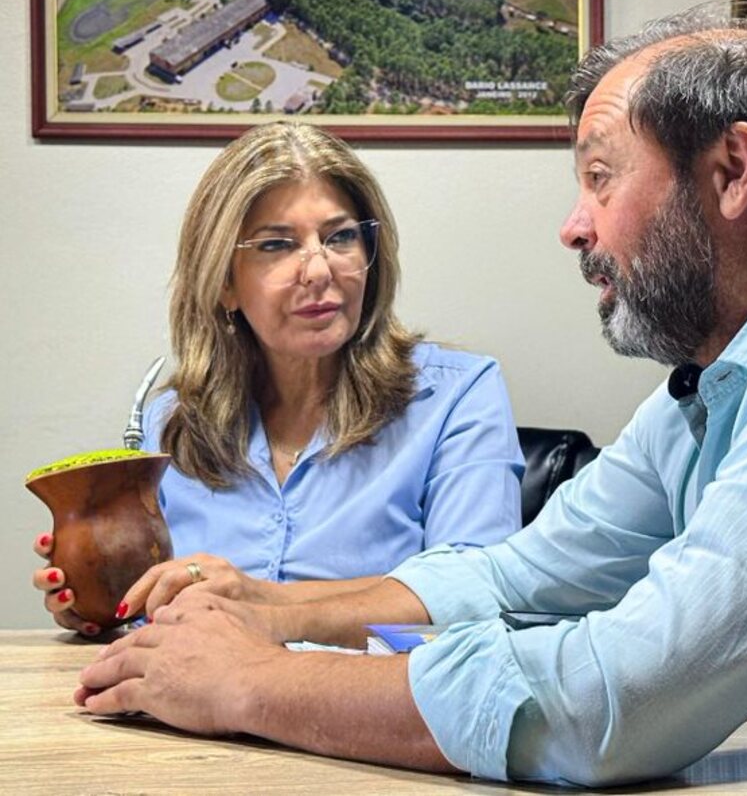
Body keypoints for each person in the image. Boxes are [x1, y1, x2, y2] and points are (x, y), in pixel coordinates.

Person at [75, 9, 747, 795]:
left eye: (600, 177)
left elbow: (609, 708)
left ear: (733, 171)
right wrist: (277, 608)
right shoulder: (723, 377)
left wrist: (257, 682)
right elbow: (523, 574)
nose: (575, 225)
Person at [32, 121, 523, 635]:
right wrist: (101, 600)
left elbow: (476, 594)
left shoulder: (456, 396)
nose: (318, 270)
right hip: (194, 709)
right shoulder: (173, 422)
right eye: (276, 245)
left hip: (375, 706)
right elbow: (153, 614)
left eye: (341, 237)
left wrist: (259, 601)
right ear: (224, 282)